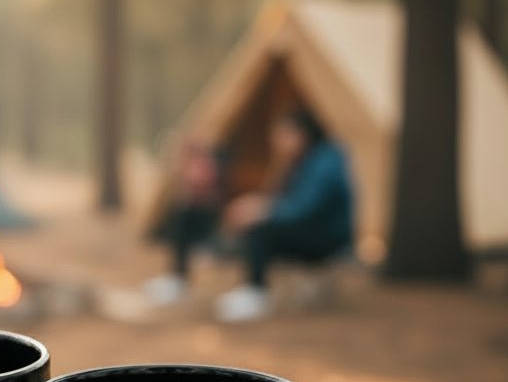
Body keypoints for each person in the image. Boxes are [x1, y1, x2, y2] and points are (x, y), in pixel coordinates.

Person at [216, 110, 354, 322]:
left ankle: (256, 294)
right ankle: (251, 288)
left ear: (301, 133)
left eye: (282, 136)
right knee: (257, 227)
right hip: (312, 230)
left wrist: (263, 210)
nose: (278, 143)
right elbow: (278, 195)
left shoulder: (326, 160)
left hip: (328, 236)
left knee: (262, 230)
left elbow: (305, 208)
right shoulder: (301, 161)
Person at [145, 138, 224, 304]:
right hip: (194, 216)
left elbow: (201, 193)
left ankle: (178, 277)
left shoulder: (204, 165)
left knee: (181, 218)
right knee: (179, 217)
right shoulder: (189, 167)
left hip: (206, 218)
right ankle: (177, 276)